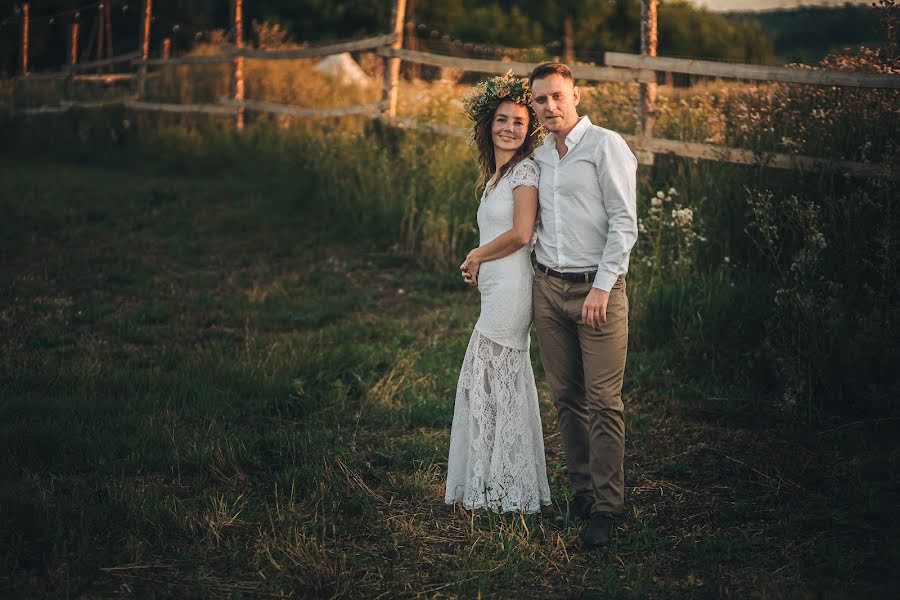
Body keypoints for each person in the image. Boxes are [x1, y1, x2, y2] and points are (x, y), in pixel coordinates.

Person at [528, 63, 638, 548]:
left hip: (599, 291)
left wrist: (602, 285)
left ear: (575, 95)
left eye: (557, 96)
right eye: (540, 100)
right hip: (549, 289)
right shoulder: (540, 156)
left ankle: (608, 508)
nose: (549, 106)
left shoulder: (605, 145)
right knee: (566, 398)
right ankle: (582, 492)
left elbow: (624, 222)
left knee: (603, 401)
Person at [444, 74, 552, 514]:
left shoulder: (524, 171)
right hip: (495, 289)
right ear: (489, 125)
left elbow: (522, 233)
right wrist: (479, 263)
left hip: (512, 291)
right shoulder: (496, 175)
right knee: (490, 384)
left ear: (529, 131)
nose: (510, 128)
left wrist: (475, 255)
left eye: (519, 122)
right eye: (503, 120)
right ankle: (492, 483)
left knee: (493, 381)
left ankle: (508, 487)